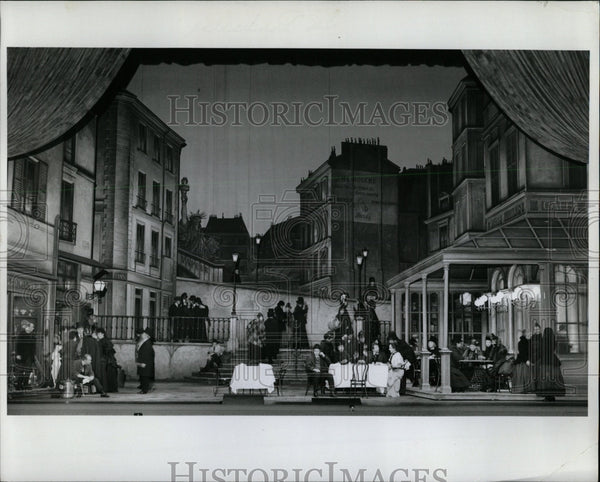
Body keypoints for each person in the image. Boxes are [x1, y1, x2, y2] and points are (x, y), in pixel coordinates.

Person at [535, 327, 566, 401]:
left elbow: (541, 351)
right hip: (553, 360)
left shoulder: (543, 341)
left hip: (545, 361)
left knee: (545, 380)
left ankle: (547, 395)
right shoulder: (554, 341)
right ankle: (552, 395)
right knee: (554, 379)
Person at [96, 327, 119, 393]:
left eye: (98, 334)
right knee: (110, 375)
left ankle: (107, 388)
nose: (97, 335)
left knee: (106, 375)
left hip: (107, 361)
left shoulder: (102, 341)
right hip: (110, 361)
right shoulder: (106, 340)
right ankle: (111, 388)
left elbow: (105, 351)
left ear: (102, 334)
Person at [136, 328, 155, 394]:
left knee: (144, 376)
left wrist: (143, 362)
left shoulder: (146, 343)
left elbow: (146, 354)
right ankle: (143, 389)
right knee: (143, 375)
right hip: (143, 361)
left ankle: (144, 390)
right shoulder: (145, 342)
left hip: (145, 362)